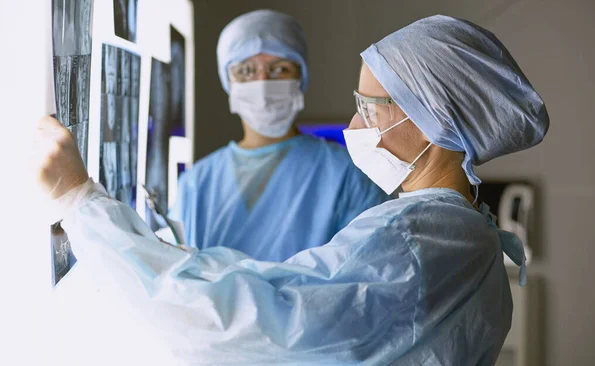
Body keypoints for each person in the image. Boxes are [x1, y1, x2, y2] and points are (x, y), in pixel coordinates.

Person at [33, 15, 548, 364]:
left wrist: (82, 202)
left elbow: (258, 319)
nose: (354, 122)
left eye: (371, 107)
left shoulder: (420, 238)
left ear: (431, 117)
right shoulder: (460, 232)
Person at [167, 9, 390, 261]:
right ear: (228, 81)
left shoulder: (346, 176)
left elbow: (371, 275)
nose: (262, 83)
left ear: (301, 77)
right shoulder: (197, 183)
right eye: (246, 70)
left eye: (279, 69)